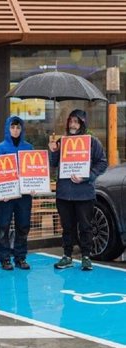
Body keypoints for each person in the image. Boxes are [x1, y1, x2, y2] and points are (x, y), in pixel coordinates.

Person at [49, 109, 107, 271]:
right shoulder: (62, 141)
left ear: (82, 124)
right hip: (64, 194)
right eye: (71, 121)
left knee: (86, 227)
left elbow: (102, 163)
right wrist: (53, 151)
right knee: (67, 227)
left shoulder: (92, 142)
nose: (73, 125)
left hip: (84, 194)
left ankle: (86, 257)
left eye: (76, 122)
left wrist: (86, 176)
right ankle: (67, 256)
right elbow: (53, 164)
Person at [0, 115, 34, 271]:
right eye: (12, 127)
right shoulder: (0, 148)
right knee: (3, 226)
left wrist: (34, 184)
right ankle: (4, 259)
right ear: (7, 128)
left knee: (23, 226)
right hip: (6, 195)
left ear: (22, 129)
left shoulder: (28, 148)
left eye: (18, 127)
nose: (15, 130)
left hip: (24, 195)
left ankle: (20, 257)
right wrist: (0, 191)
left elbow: (33, 170)